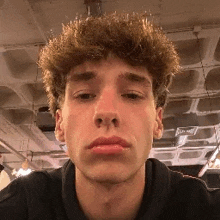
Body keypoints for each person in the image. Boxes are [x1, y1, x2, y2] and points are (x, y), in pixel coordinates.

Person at [0, 13, 219, 220]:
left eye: (132, 95)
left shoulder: (202, 208)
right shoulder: (19, 206)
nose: (107, 112)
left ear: (157, 121)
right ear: (59, 124)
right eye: (84, 95)